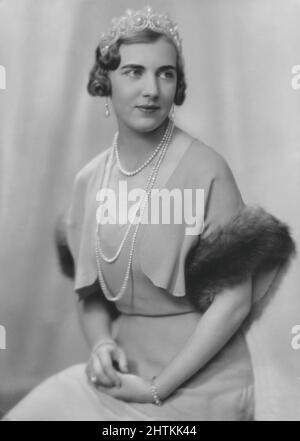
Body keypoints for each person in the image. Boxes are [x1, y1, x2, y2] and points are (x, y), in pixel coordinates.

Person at [3, 6, 295, 421]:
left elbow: (234, 301)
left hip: (200, 384)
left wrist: (157, 389)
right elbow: (91, 296)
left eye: (166, 73)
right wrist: (103, 346)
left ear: (177, 86)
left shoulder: (207, 169)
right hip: (124, 378)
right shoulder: (90, 181)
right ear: (106, 82)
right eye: (134, 72)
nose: (152, 89)